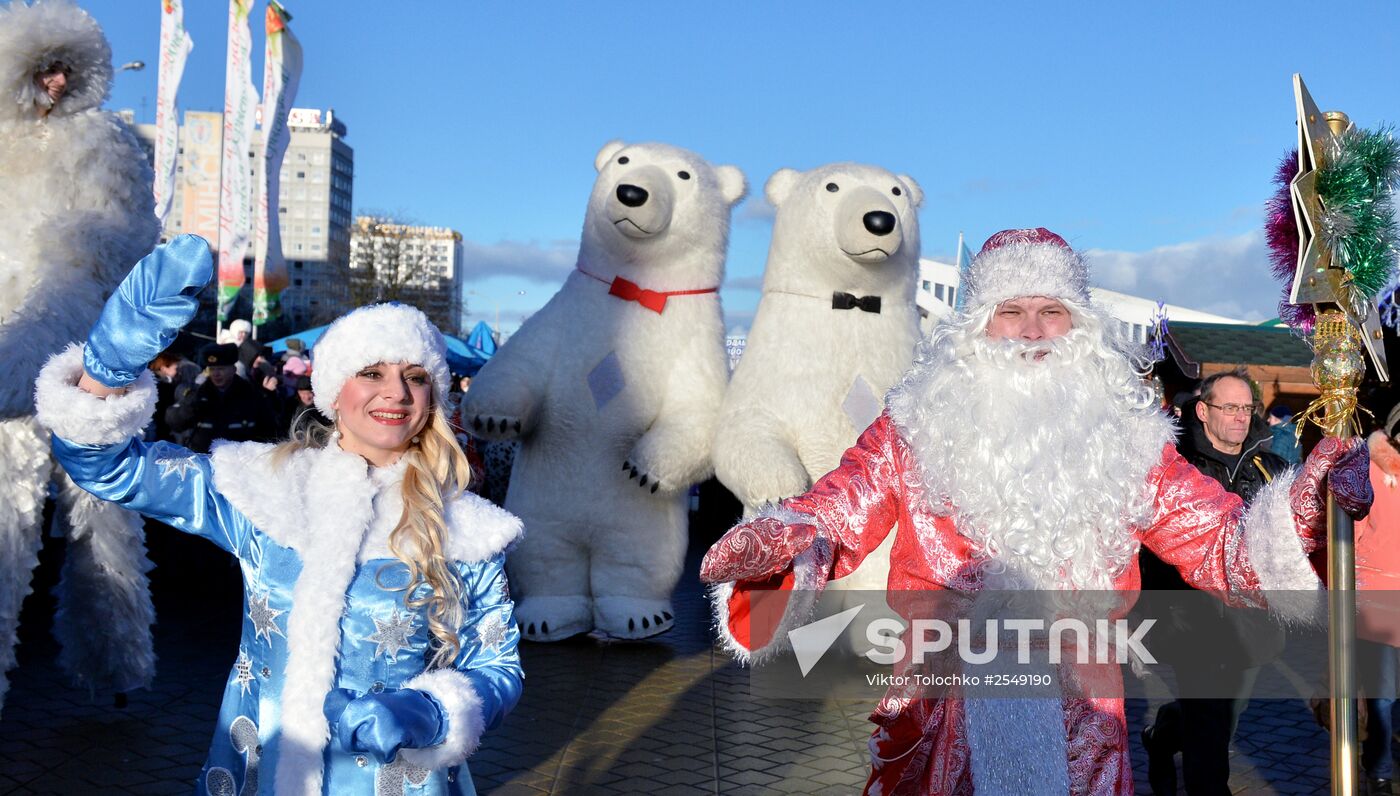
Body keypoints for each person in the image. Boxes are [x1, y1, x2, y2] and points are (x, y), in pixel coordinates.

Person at [699, 228, 1371, 795]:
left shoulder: (1129, 439)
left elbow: (1223, 547)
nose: (1031, 331)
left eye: (1052, 311)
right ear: (975, 327)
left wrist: (1307, 502)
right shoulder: (915, 425)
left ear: (1079, 325)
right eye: (1009, 310)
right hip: (940, 698)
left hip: (1082, 710)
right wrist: (779, 544)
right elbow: (836, 514)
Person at [34, 238, 523, 794]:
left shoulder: (468, 530)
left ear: (432, 398)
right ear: (333, 392)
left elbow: (499, 669)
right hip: (259, 773)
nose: (396, 393)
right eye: (372, 373)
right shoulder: (264, 488)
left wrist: (430, 711)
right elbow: (107, 468)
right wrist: (108, 365)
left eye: (415, 376)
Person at [0, 0, 163, 715]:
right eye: (43, 68)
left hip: (83, 365)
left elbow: (110, 250)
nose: (56, 84)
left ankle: (116, 662)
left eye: (68, 69)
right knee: (5, 527)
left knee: (105, 518)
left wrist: (43, 343)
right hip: (14, 358)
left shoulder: (107, 146)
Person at [1139, 369, 1290, 795]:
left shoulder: (1270, 466)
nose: (1241, 417)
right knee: (1209, 727)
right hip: (1192, 615)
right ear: (1203, 411)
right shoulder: (1175, 465)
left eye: (1247, 408)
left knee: (1227, 713)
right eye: (1230, 407)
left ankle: (1163, 734)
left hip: (1250, 621)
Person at [1357, 405, 1400, 796]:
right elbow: (1352, 537)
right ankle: (1380, 769)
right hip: (1379, 599)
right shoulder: (1371, 471)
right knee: (1383, 693)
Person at [167, 343, 281, 454]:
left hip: (239, 463)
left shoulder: (251, 394)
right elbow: (175, 423)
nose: (216, 374)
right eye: (212, 369)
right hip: (206, 461)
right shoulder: (199, 394)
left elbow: (269, 430)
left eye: (221, 368)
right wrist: (190, 407)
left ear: (233, 369)